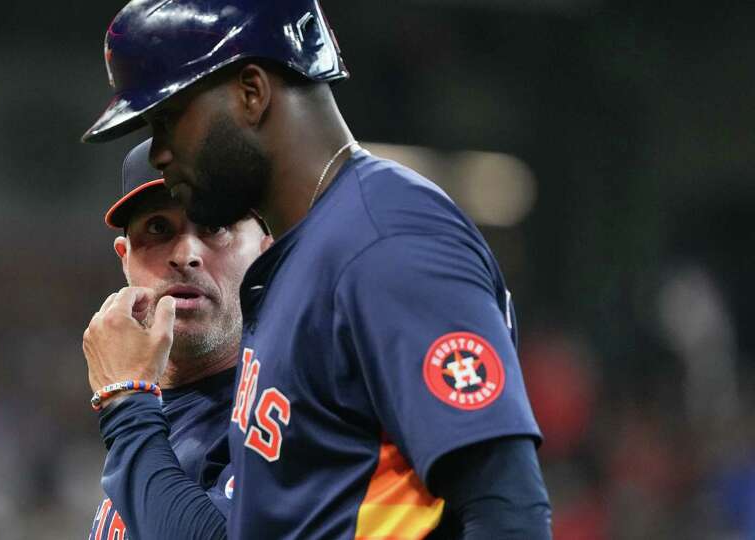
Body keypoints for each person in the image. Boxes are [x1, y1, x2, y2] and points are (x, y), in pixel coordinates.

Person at [81, 1, 553, 538]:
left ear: (251, 93)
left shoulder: (387, 236)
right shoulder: (303, 259)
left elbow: (506, 508)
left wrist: (126, 403)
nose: (160, 152)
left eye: (167, 119)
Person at [84, 138, 270, 539]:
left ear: (265, 251)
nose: (185, 253)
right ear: (125, 258)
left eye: (216, 226)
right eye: (158, 228)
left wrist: (125, 403)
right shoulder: (154, 412)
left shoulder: (280, 404)